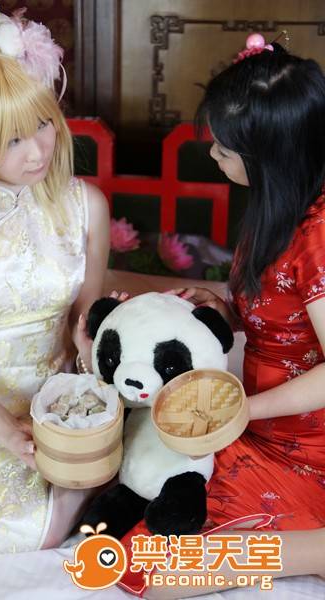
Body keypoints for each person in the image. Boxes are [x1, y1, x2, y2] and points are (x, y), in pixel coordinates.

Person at [0, 3, 113, 571]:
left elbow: (85, 320)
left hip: (55, 406)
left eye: (43, 124)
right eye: (10, 140)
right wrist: (9, 435)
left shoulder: (86, 206)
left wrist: (90, 349)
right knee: (20, 524)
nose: (37, 151)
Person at [141, 35, 325, 598]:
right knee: (144, 544)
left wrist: (244, 411)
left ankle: (317, 548)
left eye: (223, 150)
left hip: (307, 446)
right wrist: (226, 311)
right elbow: (283, 316)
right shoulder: (279, 207)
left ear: (268, 157)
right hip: (262, 425)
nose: (214, 157)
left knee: (160, 572)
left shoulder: (319, 238)